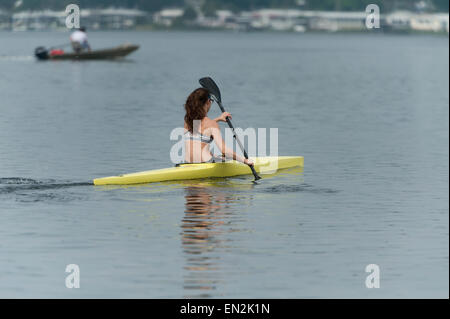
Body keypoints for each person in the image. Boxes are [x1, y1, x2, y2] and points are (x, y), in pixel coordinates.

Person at [183, 88, 254, 166]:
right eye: (211, 101)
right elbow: (224, 150)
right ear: (208, 102)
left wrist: (218, 119)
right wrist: (244, 160)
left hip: (187, 163)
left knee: (215, 155)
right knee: (225, 157)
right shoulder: (212, 124)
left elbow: (201, 130)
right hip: (204, 163)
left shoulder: (188, 121)